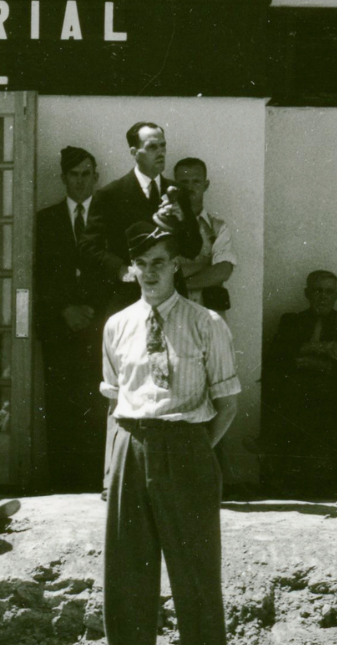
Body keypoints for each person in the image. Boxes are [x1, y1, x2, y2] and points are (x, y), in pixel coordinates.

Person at [99, 214, 240, 645]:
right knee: (126, 574)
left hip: (186, 446)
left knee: (195, 571)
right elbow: (113, 399)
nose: (150, 272)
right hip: (130, 445)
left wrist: (195, 446)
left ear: (177, 264)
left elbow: (228, 402)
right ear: (132, 267)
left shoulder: (206, 323)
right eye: (142, 263)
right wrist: (111, 470)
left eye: (159, 262)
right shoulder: (117, 325)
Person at [35, 146, 113, 492]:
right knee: (62, 405)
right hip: (60, 327)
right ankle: (63, 484)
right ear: (64, 178)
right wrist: (65, 309)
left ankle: (99, 481)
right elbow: (38, 275)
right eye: (74, 175)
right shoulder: (45, 220)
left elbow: (117, 271)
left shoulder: (111, 218)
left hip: (101, 328)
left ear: (96, 177)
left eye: (87, 174)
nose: (81, 181)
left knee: (100, 403)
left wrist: (97, 314)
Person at [262, 269, 337, 498]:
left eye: (329, 292)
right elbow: (276, 359)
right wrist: (318, 349)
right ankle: (286, 473)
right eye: (318, 290)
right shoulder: (291, 321)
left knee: (320, 402)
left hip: (333, 398)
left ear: (336, 295)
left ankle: (317, 478)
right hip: (296, 397)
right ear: (307, 293)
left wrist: (314, 361)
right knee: (293, 396)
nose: (323, 297)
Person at [89, 123, 170, 309]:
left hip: (171, 297)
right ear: (134, 153)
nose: (160, 152)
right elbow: (89, 247)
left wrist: (183, 221)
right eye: (152, 147)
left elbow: (193, 247)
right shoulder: (111, 194)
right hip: (129, 295)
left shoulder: (176, 192)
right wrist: (120, 268)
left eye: (163, 146)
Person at [171, 157, 235, 311]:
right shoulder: (165, 224)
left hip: (208, 311)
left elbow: (223, 270)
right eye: (184, 182)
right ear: (175, 186)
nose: (190, 187)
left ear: (206, 185)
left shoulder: (218, 228)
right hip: (171, 309)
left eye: (196, 181)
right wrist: (204, 268)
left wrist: (180, 285)